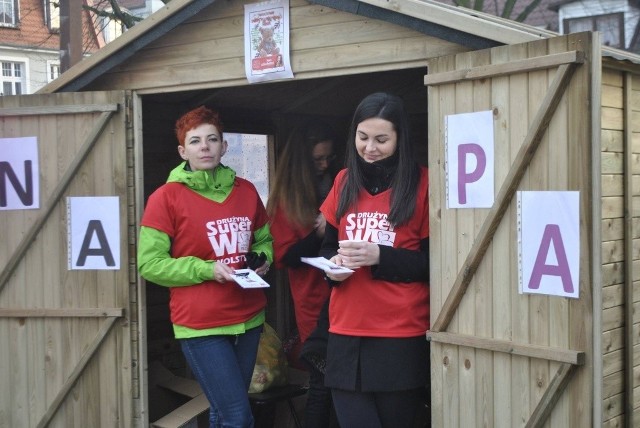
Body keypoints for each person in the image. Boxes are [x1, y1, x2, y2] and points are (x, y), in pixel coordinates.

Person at [137, 105, 273, 428]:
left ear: (224, 146)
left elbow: (265, 240)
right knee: (238, 418)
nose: (205, 147)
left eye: (212, 139)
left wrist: (263, 258)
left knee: (223, 411)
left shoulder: (247, 191)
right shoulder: (165, 198)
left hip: (250, 320)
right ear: (183, 150)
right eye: (195, 141)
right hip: (202, 326)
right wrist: (206, 270)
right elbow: (150, 264)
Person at [319, 92, 430, 428]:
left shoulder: (424, 182)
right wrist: (333, 269)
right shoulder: (343, 180)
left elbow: (435, 264)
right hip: (344, 329)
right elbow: (326, 248)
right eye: (362, 137)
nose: (370, 148)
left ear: (400, 138)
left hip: (399, 333)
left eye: (382, 139)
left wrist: (381, 256)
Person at [266, 121, 339, 428]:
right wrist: (321, 231)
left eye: (328, 158)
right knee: (322, 381)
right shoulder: (285, 202)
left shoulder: (332, 184)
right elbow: (286, 257)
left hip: (345, 297)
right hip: (312, 301)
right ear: (300, 163)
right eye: (317, 160)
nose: (324, 165)